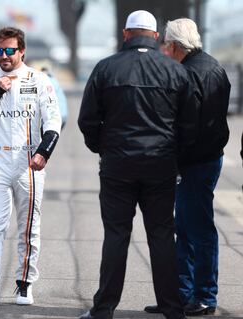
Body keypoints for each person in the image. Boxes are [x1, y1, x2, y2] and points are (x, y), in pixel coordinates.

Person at [78, 10, 200, 319]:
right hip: (160, 165)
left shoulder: (106, 68)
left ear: (126, 33)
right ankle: (173, 309)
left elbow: (87, 120)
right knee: (161, 235)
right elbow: (190, 124)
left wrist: (104, 149)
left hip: (118, 165)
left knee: (117, 235)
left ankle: (103, 309)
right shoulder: (175, 71)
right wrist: (173, 155)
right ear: (156, 36)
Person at [0, 27, 61, 307]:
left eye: (10, 50)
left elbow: (54, 122)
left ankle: (24, 284)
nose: (4, 56)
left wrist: (44, 152)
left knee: (27, 229)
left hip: (28, 163)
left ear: (22, 51)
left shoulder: (40, 79)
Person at [144, 18, 230, 317]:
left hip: (194, 162)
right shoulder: (212, 67)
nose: (163, 49)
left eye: (166, 44)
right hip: (206, 158)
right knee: (187, 226)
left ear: (177, 46)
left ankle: (202, 295)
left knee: (197, 229)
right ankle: (183, 295)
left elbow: (188, 127)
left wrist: (171, 159)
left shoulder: (190, 74)